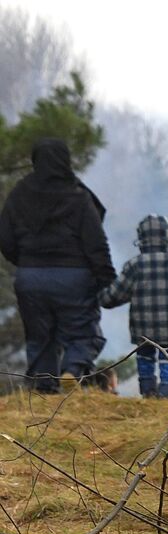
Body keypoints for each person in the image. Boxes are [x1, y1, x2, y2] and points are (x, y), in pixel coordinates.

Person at [0, 138, 115, 391]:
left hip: (30, 278)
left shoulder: (19, 193)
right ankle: (72, 369)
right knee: (83, 333)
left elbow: (5, 238)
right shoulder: (79, 196)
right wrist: (106, 278)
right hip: (73, 278)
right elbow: (96, 243)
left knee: (40, 339)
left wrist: (27, 264)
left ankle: (43, 392)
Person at [98, 214, 168, 399]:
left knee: (145, 360)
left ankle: (148, 394)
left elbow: (114, 295)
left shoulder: (135, 266)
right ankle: (167, 395)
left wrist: (100, 297)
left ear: (141, 238)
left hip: (143, 328)